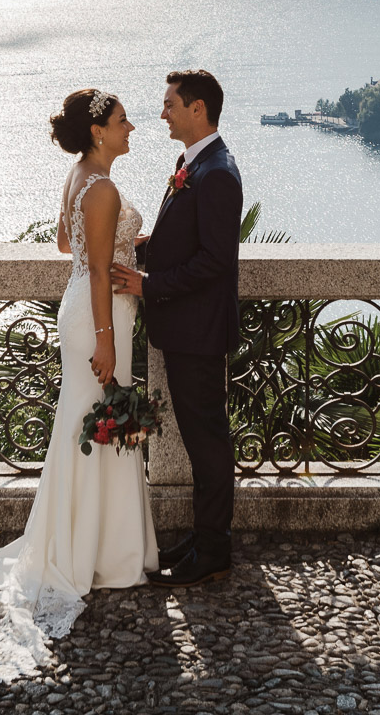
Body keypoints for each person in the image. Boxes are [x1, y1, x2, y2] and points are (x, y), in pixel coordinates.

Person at [0, 89, 157, 682]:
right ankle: (100, 556)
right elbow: (97, 265)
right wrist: (105, 337)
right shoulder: (100, 187)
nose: (133, 129)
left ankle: (90, 547)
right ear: (99, 131)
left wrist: (124, 244)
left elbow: (67, 244)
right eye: (123, 121)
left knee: (89, 427)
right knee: (98, 427)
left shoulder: (78, 175)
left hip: (79, 307)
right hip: (98, 318)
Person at [112, 68, 242, 588]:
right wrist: (147, 246)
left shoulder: (218, 174)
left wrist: (149, 285)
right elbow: (187, 239)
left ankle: (214, 551)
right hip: (185, 331)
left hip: (200, 333)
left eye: (170, 104)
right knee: (197, 439)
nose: (162, 112)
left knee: (208, 443)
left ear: (197, 109)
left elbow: (214, 261)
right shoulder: (195, 163)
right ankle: (202, 540)